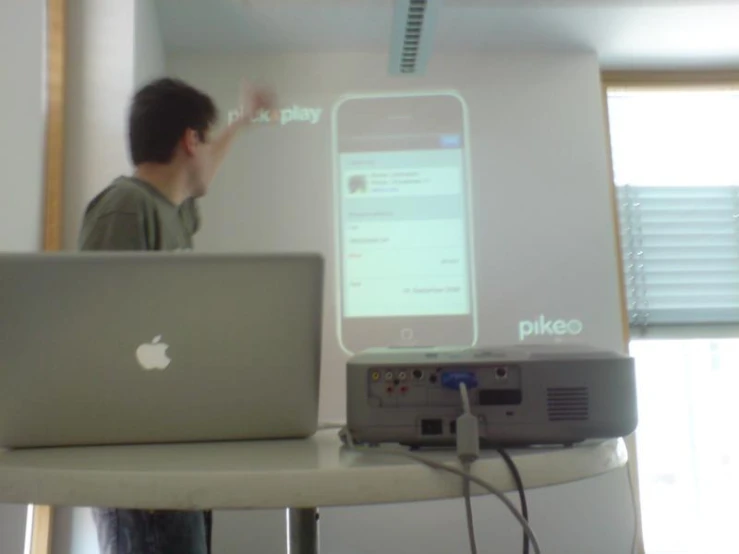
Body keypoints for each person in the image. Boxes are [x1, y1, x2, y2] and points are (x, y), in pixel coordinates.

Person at [78, 77, 274, 554]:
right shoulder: (125, 209)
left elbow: (206, 168)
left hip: (171, 452)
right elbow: (94, 340)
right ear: (190, 141)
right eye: (205, 140)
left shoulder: (173, 212)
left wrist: (241, 122)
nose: (212, 154)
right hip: (138, 472)